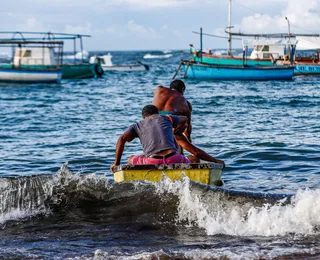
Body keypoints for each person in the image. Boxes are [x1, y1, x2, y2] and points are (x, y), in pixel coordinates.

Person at [110, 105, 190, 173]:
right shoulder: (167, 118)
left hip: (152, 161)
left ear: (143, 117)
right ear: (157, 113)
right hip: (174, 158)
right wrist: (177, 129)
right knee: (189, 162)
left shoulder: (137, 125)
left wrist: (116, 163)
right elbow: (185, 119)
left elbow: (121, 139)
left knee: (130, 159)